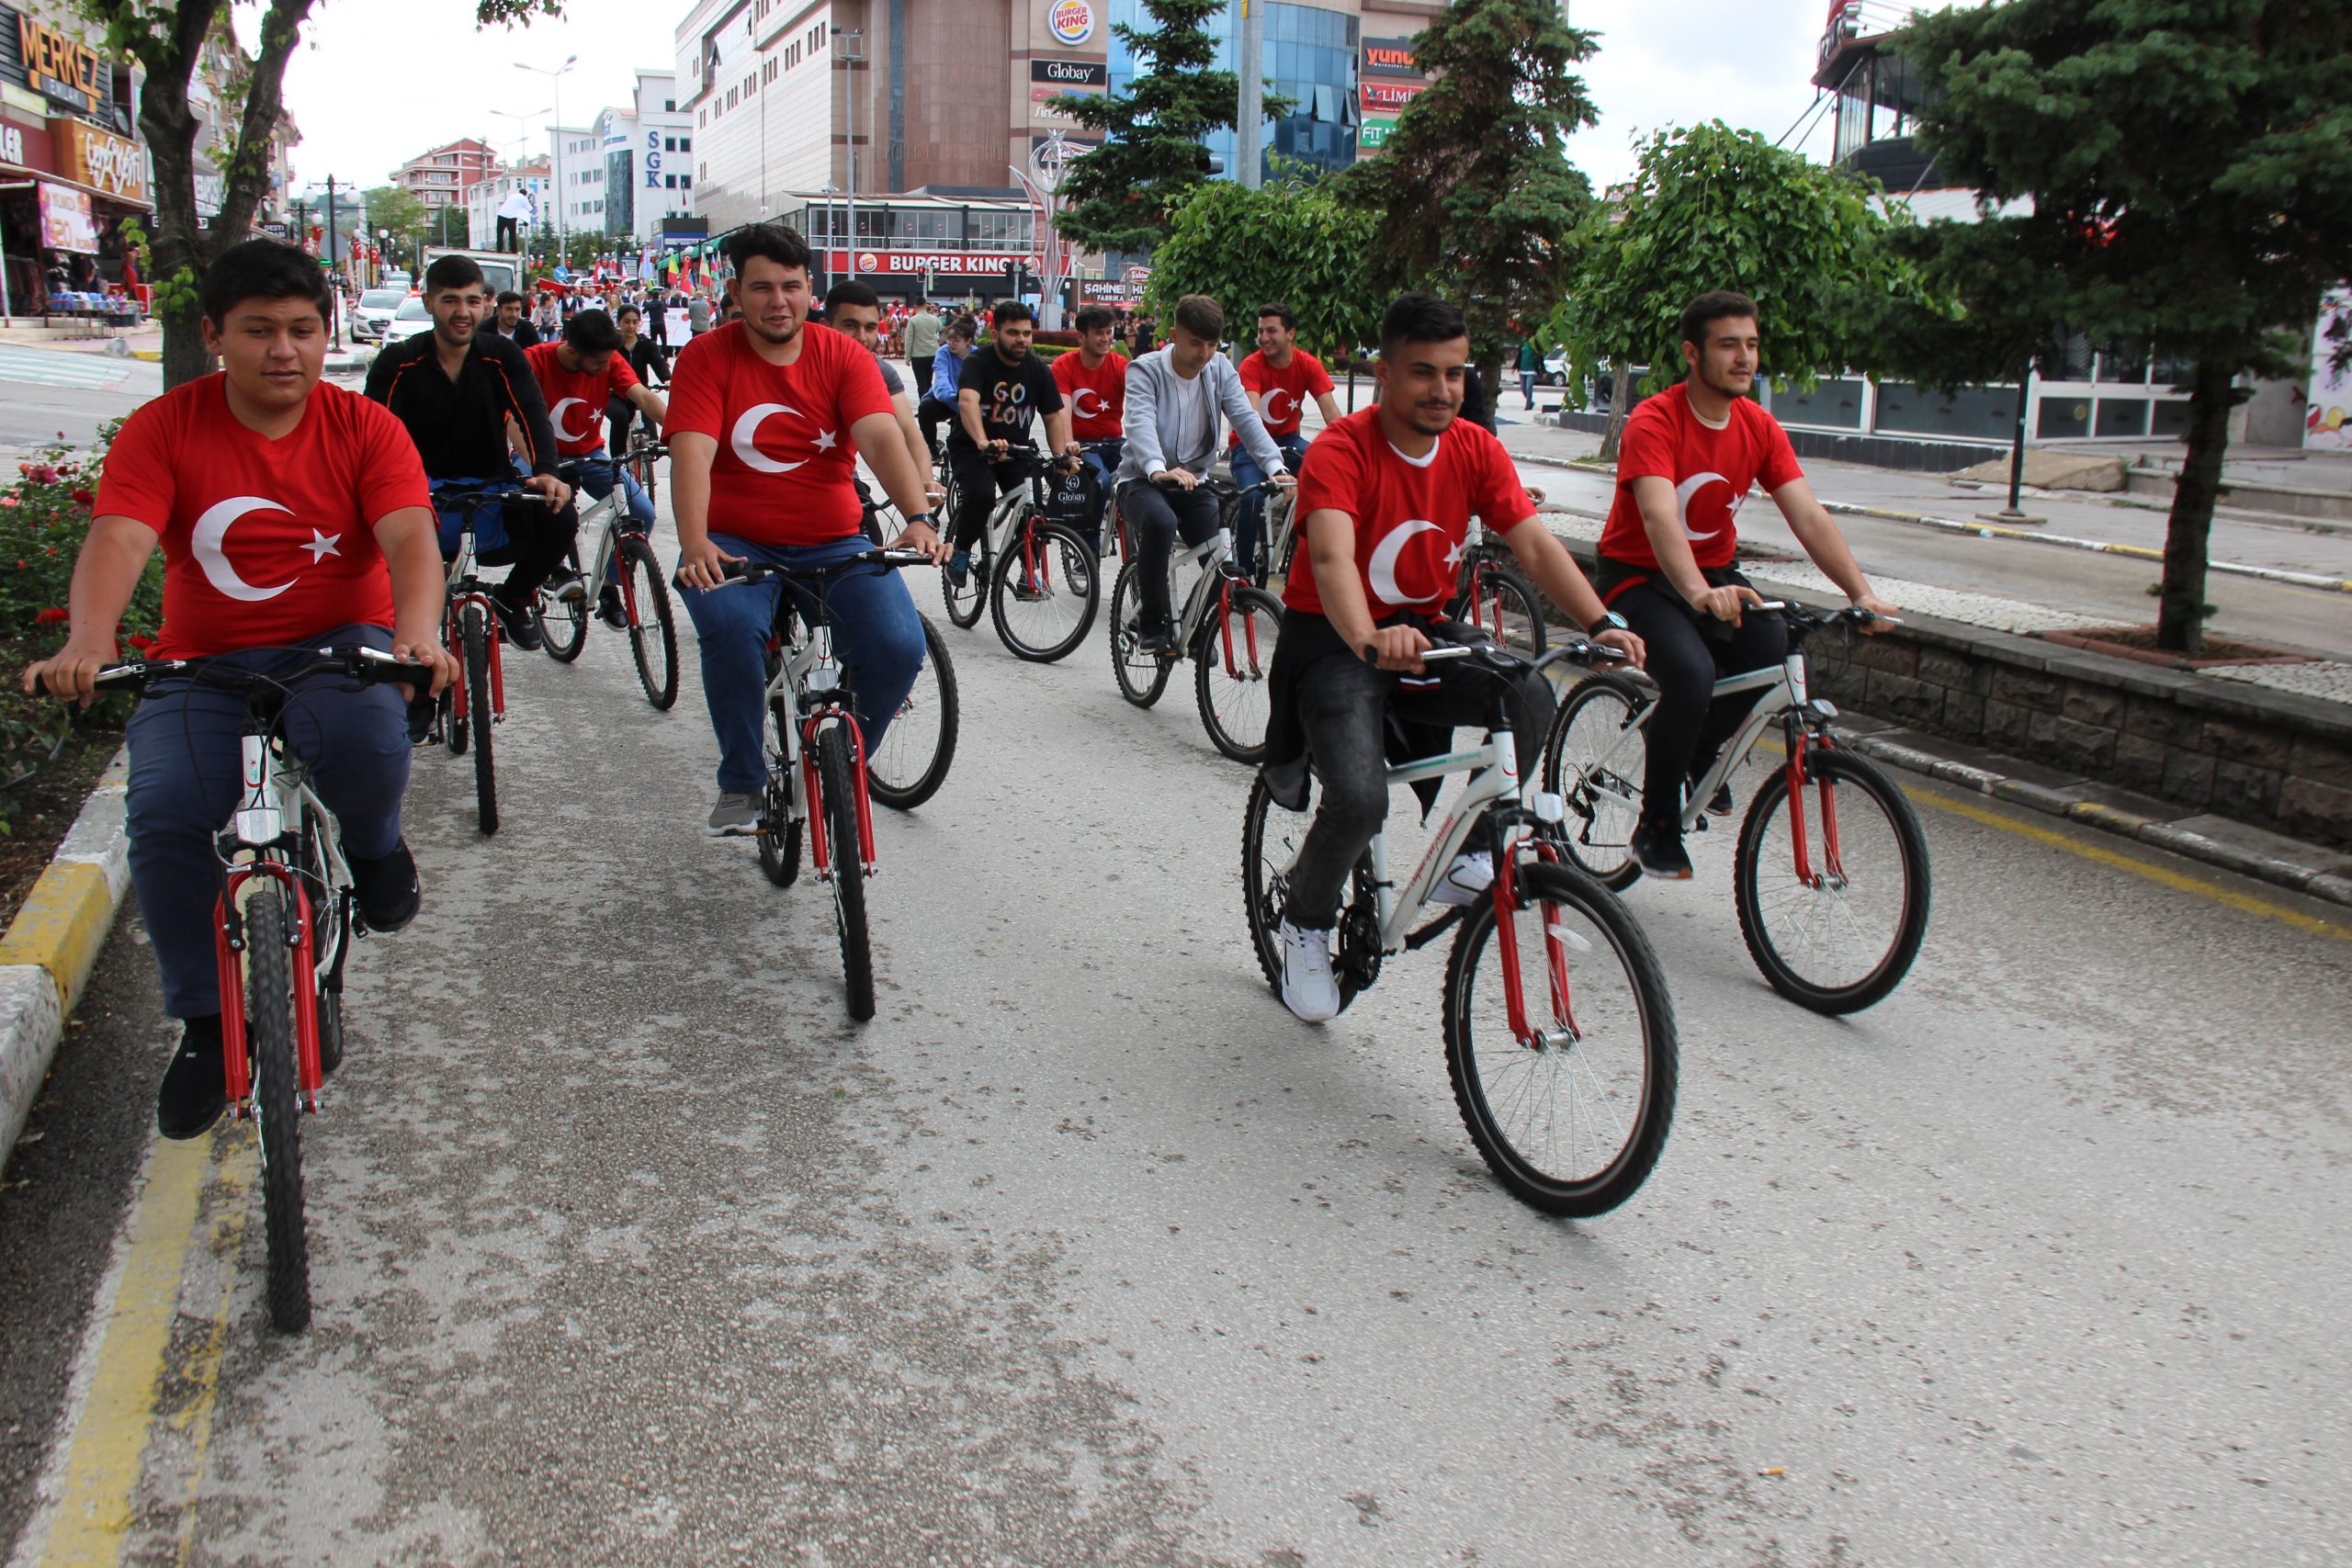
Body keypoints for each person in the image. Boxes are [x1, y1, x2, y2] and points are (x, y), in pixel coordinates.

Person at [20, 239, 458, 1138]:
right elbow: (119, 537)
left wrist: (416, 632)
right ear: (215, 335)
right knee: (166, 814)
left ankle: (374, 849)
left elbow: (411, 536)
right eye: (259, 330)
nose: (283, 351)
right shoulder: (165, 428)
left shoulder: (364, 427)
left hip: (340, 644)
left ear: (325, 333)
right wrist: (89, 640)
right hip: (203, 660)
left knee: (367, 747)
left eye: (302, 329)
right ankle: (204, 1024)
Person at [1260, 293, 1645, 1023]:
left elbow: (1534, 545)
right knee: (1360, 799)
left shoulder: (1474, 448)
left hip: (1423, 630)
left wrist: (1600, 621)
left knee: (1529, 691)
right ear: (1383, 373)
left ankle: (1470, 853)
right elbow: (1333, 559)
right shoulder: (1342, 449)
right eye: (1423, 372)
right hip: (1336, 639)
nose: (1442, 389)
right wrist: (1369, 637)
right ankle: (1304, 920)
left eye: (1455, 373)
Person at [1598, 288, 1897, 880]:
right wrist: (1696, 593)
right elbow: (1659, 517)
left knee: (1769, 651)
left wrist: (1859, 594)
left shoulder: (1758, 426)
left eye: (1752, 345)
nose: (1744, 358)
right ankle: (1656, 826)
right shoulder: (1655, 420)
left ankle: (1695, 753)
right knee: (1691, 674)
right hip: (1638, 574)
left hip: (1715, 574)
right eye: (1728, 345)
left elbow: (1807, 514)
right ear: (1692, 353)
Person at [665, 223, 944, 836]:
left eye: (791, 286)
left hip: (836, 540)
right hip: (733, 542)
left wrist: (917, 517)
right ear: (735, 292)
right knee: (731, 629)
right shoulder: (706, 357)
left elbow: (880, 438)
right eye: (761, 287)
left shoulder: (843, 354)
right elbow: (691, 454)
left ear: (809, 288)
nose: (778, 301)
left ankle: (843, 762)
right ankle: (742, 780)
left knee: (899, 646)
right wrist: (694, 542)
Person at [365, 253, 573, 652]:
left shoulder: (502, 355)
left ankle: (513, 599)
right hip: (417, 491)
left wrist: (548, 471)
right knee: (387, 591)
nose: (463, 312)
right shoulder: (399, 361)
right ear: (429, 302)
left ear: (485, 304)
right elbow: (371, 433)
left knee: (560, 516)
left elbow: (532, 413)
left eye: (473, 301)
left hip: (491, 485)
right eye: (450, 300)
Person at [1114, 295, 1292, 656]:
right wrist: (1157, 469)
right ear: (1174, 335)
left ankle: (1197, 630)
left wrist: (1276, 467)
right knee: (1161, 522)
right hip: (1142, 479)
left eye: (1212, 344)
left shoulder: (1219, 369)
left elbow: (1246, 419)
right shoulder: (1145, 370)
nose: (1205, 353)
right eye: (1196, 343)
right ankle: (1151, 623)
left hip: (1193, 480)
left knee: (1222, 562)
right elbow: (1139, 421)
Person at [526, 310, 667, 626]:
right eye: (599, 363)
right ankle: (553, 570)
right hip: (538, 454)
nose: (606, 368)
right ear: (573, 351)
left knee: (641, 512)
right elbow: (512, 420)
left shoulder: (608, 357)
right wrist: (541, 467)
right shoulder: (534, 360)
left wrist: (678, 433)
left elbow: (642, 396)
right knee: (539, 509)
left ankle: (609, 584)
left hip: (589, 452)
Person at [944, 299, 1076, 589]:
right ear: (995, 335)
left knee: (1034, 508)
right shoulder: (978, 363)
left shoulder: (1037, 369)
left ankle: (1029, 572)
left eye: (1027, 333)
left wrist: (1060, 457)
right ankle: (961, 551)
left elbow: (1053, 417)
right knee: (981, 497)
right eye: (1013, 333)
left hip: (1017, 450)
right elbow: (967, 402)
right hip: (973, 448)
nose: (1022, 340)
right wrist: (982, 441)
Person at [822, 279, 947, 532]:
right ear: (826, 327)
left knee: (871, 537)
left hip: (843, 480)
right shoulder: (802, 360)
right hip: (783, 483)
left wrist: (925, 481)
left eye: (870, 327)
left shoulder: (881, 370)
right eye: (850, 325)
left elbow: (909, 433)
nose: (862, 337)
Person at [1231, 301, 1341, 577]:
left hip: (1289, 440)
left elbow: (1332, 415)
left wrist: (1347, 451)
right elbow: (1251, 420)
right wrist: (1274, 467)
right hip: (1249, 445)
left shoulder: (1308, 364)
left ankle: (1305, 552)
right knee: (1252, 498)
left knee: (1324, 478)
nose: (1263, 337)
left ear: (1291, 334)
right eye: (1260, 331)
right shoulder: (1251, 366)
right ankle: (1242, 573)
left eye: (1271, 331)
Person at [1051, 303, 1129, 533]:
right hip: (1083, 445)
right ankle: (1088, 542)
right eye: (1098, 333)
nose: (1106, 338)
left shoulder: (1121, 366)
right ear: (1081, 337)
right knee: (1099, 483)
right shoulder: (1064, 365)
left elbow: (1141, 402)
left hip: (1115, 442)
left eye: (1108, 332)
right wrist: (1068, 442)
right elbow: (1063, 409)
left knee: (1144, 479)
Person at [607, 302, 672, 457]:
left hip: (639, 391)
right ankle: (618, 463)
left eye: (635, 322)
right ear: (619, 322)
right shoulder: (611, 345)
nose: (631, 326)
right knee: (620, 418)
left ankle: (652, 450)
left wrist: (667, 379)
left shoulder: (646, 344)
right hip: (616, 394)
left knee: (650, 416)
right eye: (626, 322)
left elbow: (658, 362)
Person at [918, 316, 976, 458]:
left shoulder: (977, 356)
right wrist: (952, 396)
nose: (951, 343)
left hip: (969, 403)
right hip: (946, 399)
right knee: (925, 408)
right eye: (949, 339)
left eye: (956, 340)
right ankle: (932, 448)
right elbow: (941, 377)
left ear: (968, 341)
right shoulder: (943, 352)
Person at [904, 298, 943, 399]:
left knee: (921, 383)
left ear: (915, 306)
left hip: (918, 355)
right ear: (926, 305)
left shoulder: (913, 320)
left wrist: (907, 356)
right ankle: (930, 403)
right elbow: (940, 328)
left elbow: (909, 339)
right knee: (929, 381)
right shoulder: (933, 318)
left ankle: (923, 403)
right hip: (932, 353)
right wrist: (934, 314)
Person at [1518, 337, 1541, 411]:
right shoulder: (1522, 344)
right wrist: (1515, 367)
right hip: (1522, 370)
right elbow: (1519, 357)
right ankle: (1531, 402)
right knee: (1523, 389)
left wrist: (1543, 371)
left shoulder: (1535, 346)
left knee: (1528, 388)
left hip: (1532, 371)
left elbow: (1540, 358)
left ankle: (1528, 405)